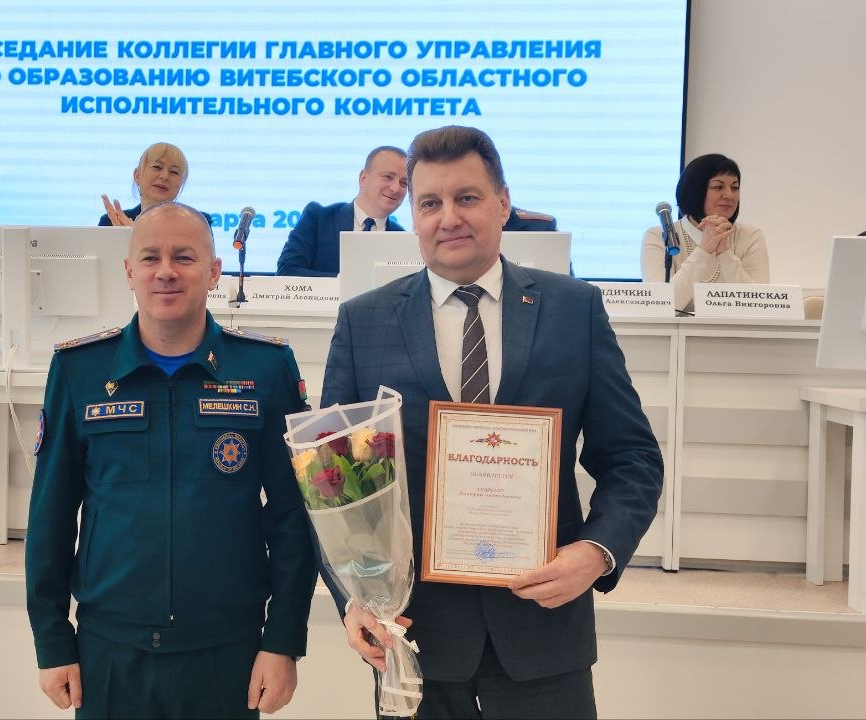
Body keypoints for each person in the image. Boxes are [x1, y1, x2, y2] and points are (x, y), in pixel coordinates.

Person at [321, 126, 663, 719]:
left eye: (467, 197)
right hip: (410, 636)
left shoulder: (573, 310)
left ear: (503, 202)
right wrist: (353, 598)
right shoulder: (363, 321)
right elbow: (332, 479)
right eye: (430, 203)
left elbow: (632, 458)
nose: (448, 217)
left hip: (543, 632)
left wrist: (596, 552)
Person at [26, 202, 316, 719]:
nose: (166, 271)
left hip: (229, 650)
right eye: (150, 258)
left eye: (184, 257)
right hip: (109, 650)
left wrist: (284, 640)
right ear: (128, 271)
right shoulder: (79, 370)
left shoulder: (266, 368)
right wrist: (51, 639)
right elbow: (51, 514)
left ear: (214, 272)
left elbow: (293, 515)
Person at [640, 153, 770, 311]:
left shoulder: (750, 236)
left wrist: (724, 253)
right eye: (718, 187)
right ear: (695, 190)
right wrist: (705, 249)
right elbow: (659, 306)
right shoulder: (658, 236)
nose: (729, 195)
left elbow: (759, 306)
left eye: (735, 187)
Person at [275, 146, 408, 277]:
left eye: (404, 183)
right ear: (363, 178)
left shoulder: (404, 240)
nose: (396, 188)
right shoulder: (318, 219)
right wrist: (346, 282)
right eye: (388, 177)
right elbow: (287, 272)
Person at [99, 142, 197, 227]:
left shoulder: (196, 225)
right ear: (137, 176)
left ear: (181, 183)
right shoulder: (110, 222)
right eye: (157, 167)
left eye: (174, 172)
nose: (164, 176)